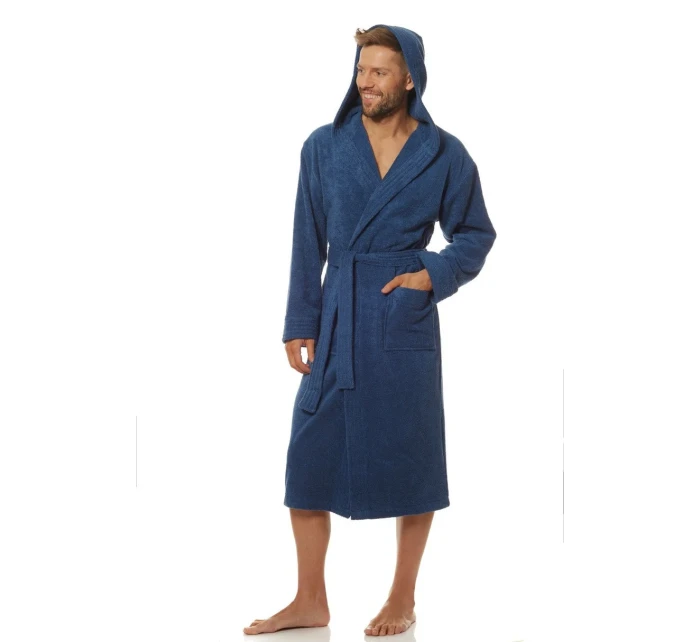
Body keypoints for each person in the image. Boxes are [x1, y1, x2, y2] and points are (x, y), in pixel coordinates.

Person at [243, 24, 497, 637]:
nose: (366, 82)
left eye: (379, 72)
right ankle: (310, 599)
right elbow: (307, 239)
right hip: (337, 315)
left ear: (409, 78)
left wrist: (431, 275)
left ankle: (402, 598)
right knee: (308, 460)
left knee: (413, 457)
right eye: (361, 70)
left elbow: (475, 233)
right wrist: (300, 320)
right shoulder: (324, 146)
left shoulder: (443, 153)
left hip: (401, 319)